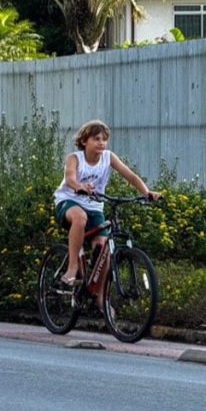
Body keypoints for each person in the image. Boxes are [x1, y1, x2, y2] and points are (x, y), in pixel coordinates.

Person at [53, 119, 161, 308]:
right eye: (96, 138)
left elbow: (131, 175)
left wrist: (147, 192)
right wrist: (80, 187)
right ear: (85, 141)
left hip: (95, 205)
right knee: (80, 218)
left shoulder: (108, 157)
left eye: (104, 139)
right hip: (69, 201)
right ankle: (72, 268)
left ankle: (100, 298)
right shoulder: (74, 158)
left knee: (104, 250)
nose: (101, 143)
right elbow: (70, 178)